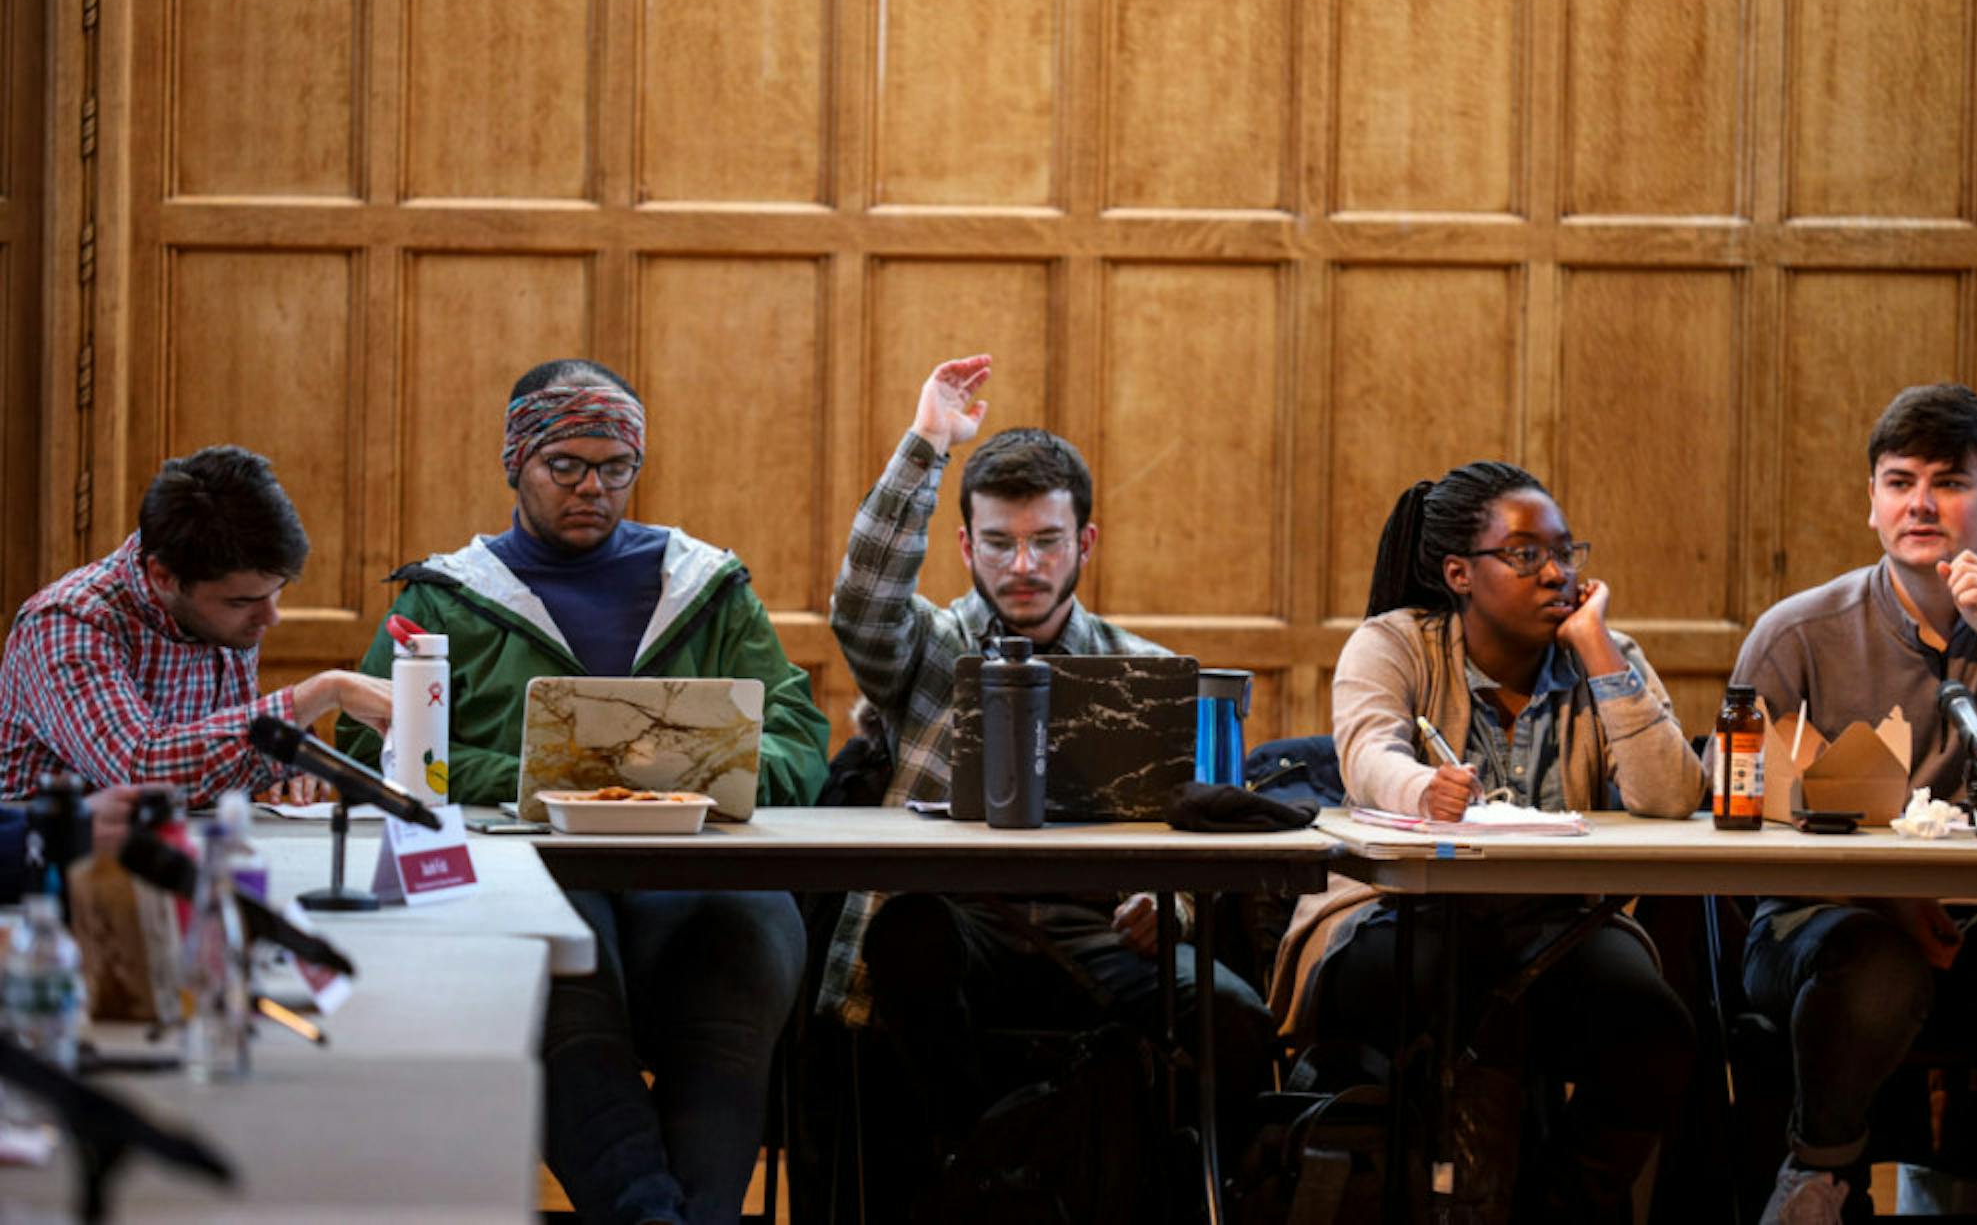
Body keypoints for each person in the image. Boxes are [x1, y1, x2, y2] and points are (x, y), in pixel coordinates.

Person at [336, 359, 828, 1225]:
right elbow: (372, 748)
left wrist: (681, 783)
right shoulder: (442, 598)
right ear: (515, 463)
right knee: (558, 988)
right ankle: (649, 1215)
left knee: (740, 982)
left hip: (703, 863)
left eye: (615, 468)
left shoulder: (708, 587)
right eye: (565, 465)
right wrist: (555, 782)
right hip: (530, 865)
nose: (592, 487)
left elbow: (797, 741)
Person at [817, 353, 1273, 1219]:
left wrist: (1167, 906)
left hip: (1095, 938)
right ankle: (980, 1171)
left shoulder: (1143, 672)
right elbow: (862, 603)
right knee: (908, 932)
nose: (1022, 565)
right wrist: (926, 445)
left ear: (1084, 543)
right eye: (998, 542)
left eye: (1045, 542)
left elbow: (1194, 850)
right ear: (967, 545)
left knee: (1234, 1014)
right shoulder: (928, 650)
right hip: (956, 930)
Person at [1269, 460, 1704, 1222]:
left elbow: (1670, 796)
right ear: (1460, 573)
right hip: (1394, 915)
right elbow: (1367, 753)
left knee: (1657, 1028)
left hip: (1560, 924)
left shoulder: (1604, 654)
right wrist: (1418, 790)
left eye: (1566, 553)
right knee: (1471, 985)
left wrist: (1599, 652)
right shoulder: (1395, 642)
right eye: (1526, 554)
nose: (1557, 574)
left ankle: (1566, 1204)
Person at [1731, 383, 1977, 1224]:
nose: (1921, 503)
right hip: (1821, 923)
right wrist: (1883, 891)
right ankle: (1819, 1174)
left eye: (1950, 481)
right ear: (1872, 505)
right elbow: (1732, 805)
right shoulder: (1798, 633)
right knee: (1875, 962)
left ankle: (1971, 1172)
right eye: (1898, 481)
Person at [0, 445, 390, 805]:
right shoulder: (67, 622)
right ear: (163, 576)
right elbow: (142, 772)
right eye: (243, 601)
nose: (271, 617)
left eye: (277, 592)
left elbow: (223, 739)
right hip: (61, 870)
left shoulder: (218, 612)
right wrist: (320, 694)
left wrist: (285, 758)